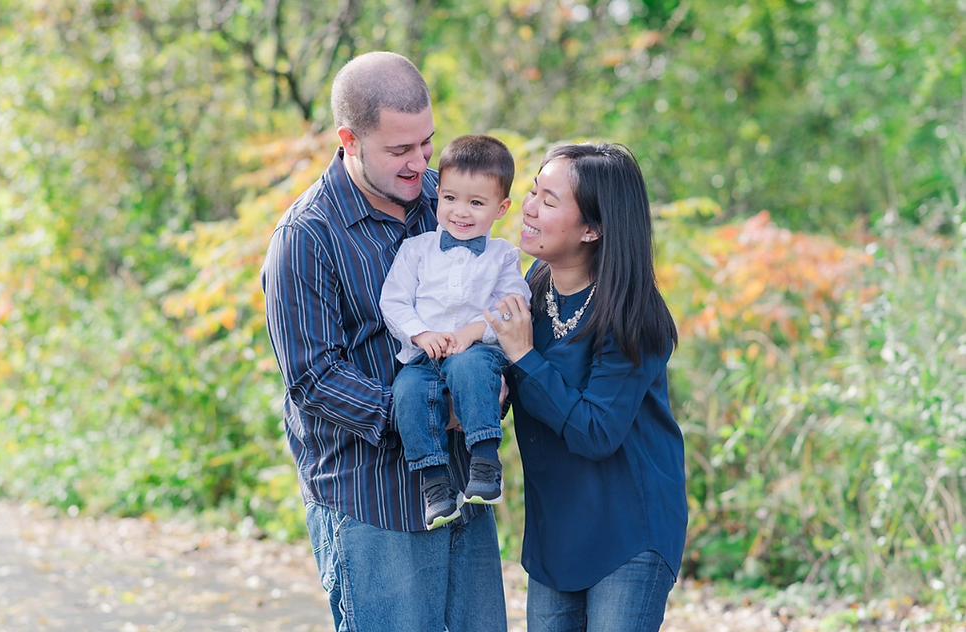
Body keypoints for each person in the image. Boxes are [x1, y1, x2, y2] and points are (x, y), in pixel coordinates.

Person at [261, 52, 507, 632]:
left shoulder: (442, 201)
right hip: (369, 501)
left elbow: (492, 296)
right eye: (400, 150)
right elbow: (313, 377)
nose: (420, 163)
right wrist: (429, 411)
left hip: (461, 487)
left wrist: (491, 389)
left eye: (426, 143)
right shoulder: (306, 238)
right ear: (349, 139)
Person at [486, 142, 688, 632]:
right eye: (534, 191)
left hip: (629, 530)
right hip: (556, 530)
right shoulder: (530, 287)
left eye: (550, 201)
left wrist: (523, 357)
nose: (528, 207)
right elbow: (516, 388)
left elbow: (596, 432)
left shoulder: (633, 315)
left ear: (592, 229)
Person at [380, 134, 531, 530]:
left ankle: (484, 461)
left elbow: (514, 304)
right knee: (407, 392)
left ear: (500, 208)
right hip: (424, 355)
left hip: (477, 350)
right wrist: (420, 334)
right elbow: (394, 302)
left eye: (476, 203)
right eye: (450, 198)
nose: (460, 211)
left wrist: (476, 329)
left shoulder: (503, 255)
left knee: (469, 369)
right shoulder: (417, 250)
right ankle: (435, 485)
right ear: (438, 197)